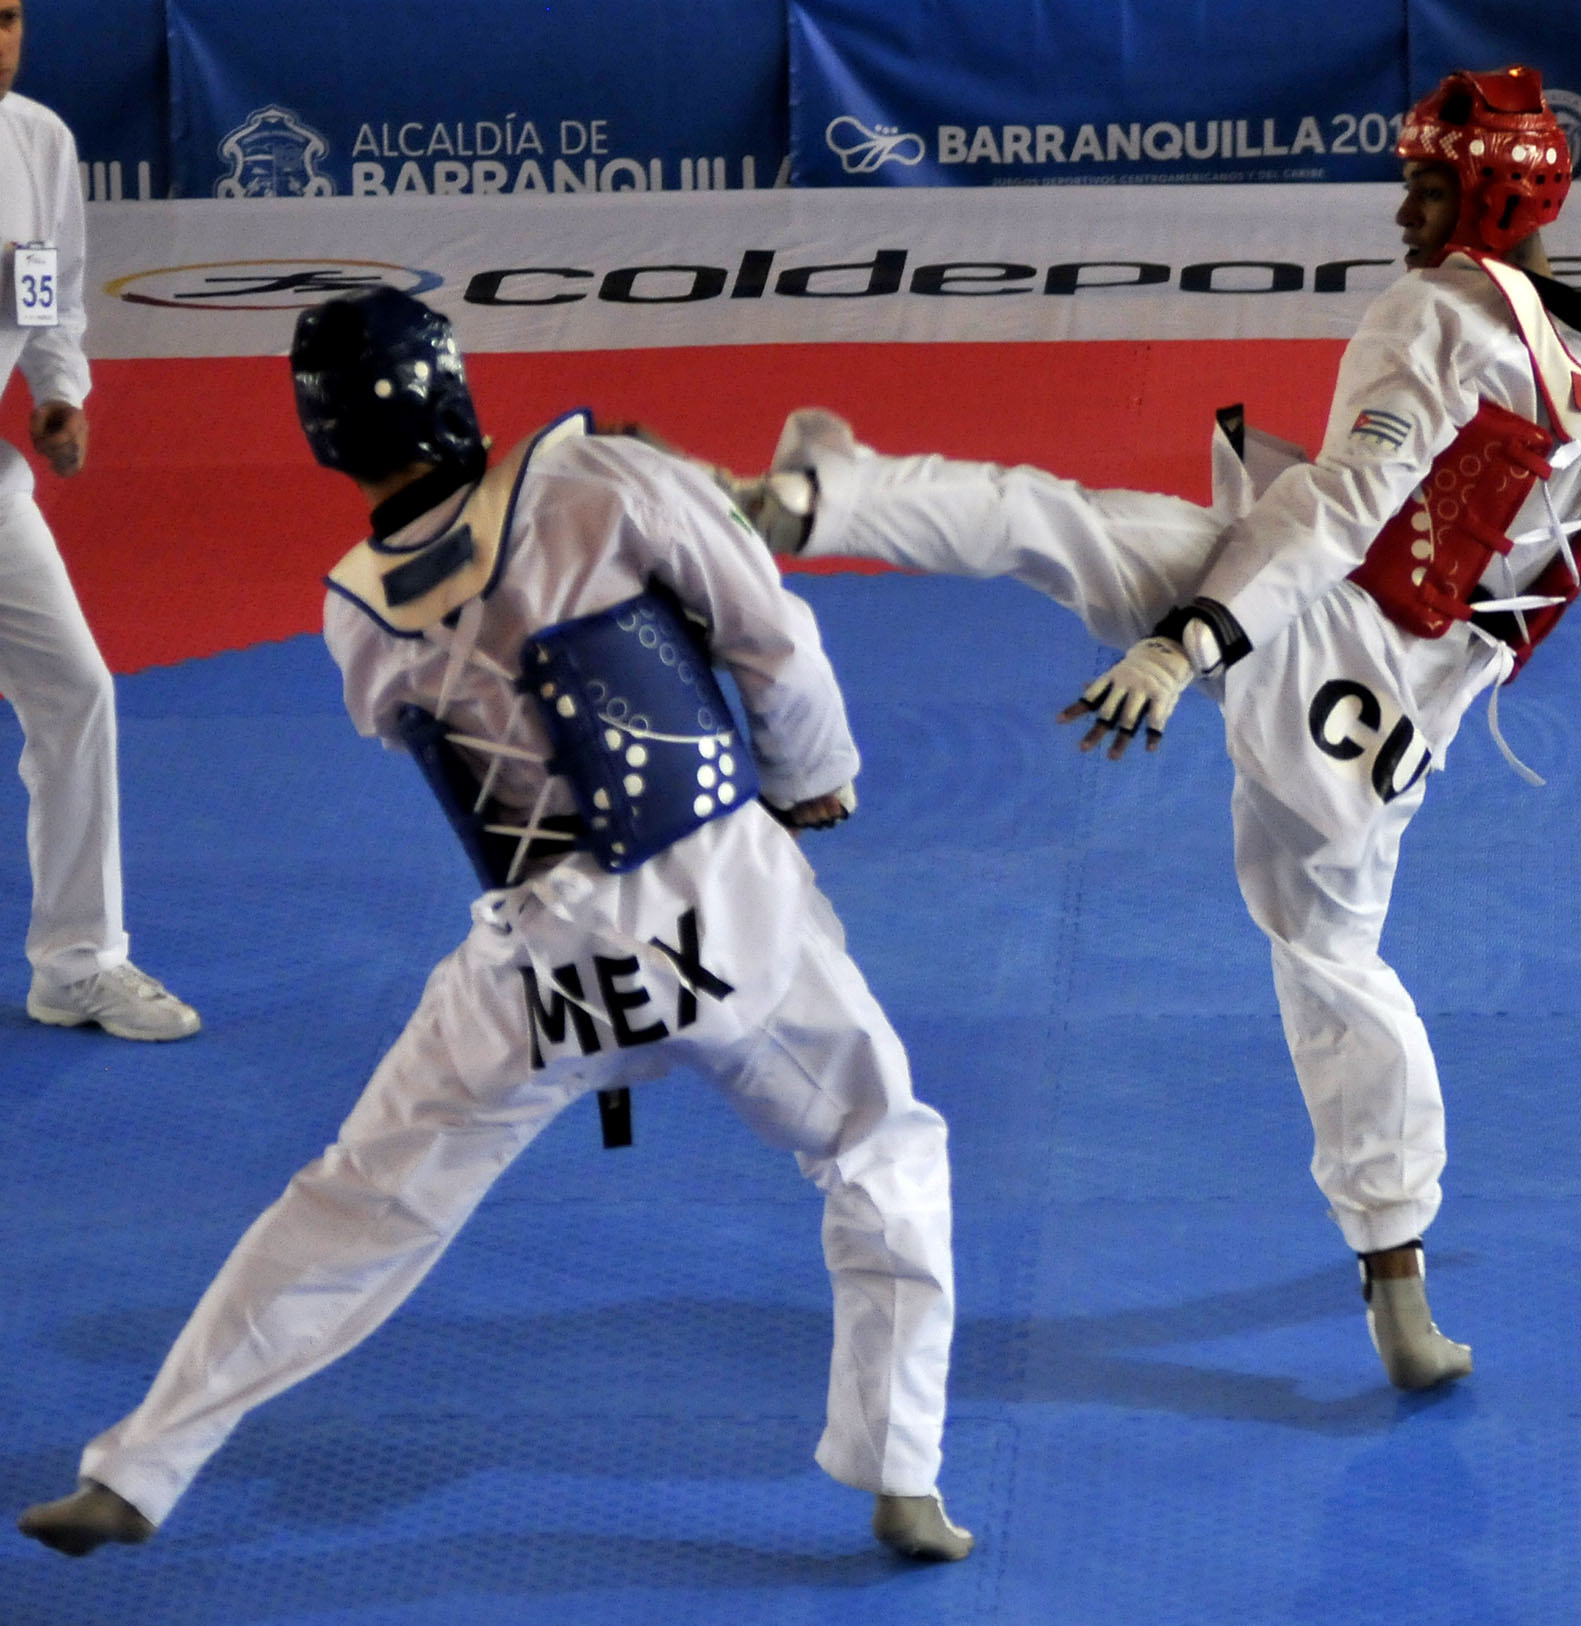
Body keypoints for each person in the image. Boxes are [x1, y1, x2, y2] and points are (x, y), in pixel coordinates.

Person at [731, 66, 1581, 1394]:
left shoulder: (1436, 316)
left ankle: (815, 503)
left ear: (1493, 192)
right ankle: (1397, 1277)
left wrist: (1186, 642)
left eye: (1428, 183)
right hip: (1406, 726)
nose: (1403, 206)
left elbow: (1336, 511)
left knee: (1075, 532)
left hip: (1313, 630)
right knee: (1326, 947)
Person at [17, 288, 972, 1564]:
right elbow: (770, 637)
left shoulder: (352, 609)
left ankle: (138, 1467)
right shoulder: (602, 477)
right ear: (452, 383)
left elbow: (456, 681)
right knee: (878, 1139)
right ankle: (901, 1471)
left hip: (537, 961)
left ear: (328, 442)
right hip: (720, 905)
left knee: (352, 1203)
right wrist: (813, 780)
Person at [0, 0, 198, 1040]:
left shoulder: (39, 141)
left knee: (76, 693)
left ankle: (76, 963)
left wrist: (59, 395)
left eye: (6, 17)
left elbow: (54, 297)